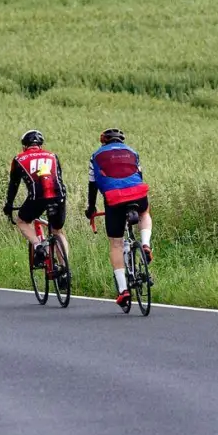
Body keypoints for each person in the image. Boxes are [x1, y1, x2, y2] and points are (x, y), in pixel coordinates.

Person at [84, 127, 151, 306]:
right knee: (144, 212)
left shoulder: (96, 156)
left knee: (116, 243)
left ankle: (123, 290)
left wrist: (91, 208)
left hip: (114, 199)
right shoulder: (133, 152)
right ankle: (145, 244)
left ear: (104, 141)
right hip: (138, 193)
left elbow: (93, 185)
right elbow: (139, 175)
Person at [2, 130, 69, 272]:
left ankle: (38, 246)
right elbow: (58, 178)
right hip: (59, 195)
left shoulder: (19, 159)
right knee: (57, 231)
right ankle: (65, 270)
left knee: (22, 221)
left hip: (37, 197)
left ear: (24, 146)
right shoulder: (53, 156)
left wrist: (9, 204)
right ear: (40, 145)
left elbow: (13, 184)